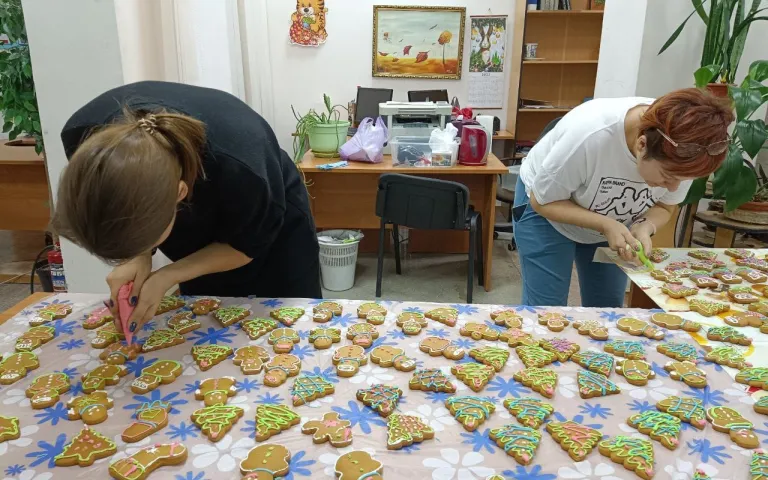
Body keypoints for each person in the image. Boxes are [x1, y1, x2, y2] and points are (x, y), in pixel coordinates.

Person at [53, 81, 321, 331]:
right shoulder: (84, 138)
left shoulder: (244, 171)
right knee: (207, 318)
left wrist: (167, 276)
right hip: (204, 200)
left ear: (180, 193)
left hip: (273, 236)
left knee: (290, 323)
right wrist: (138, 255)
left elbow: (246, 246)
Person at [513, 88, 734, 307]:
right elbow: (543, 201)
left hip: (613, 221)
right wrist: (605, 223)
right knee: (546, 309)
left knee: (608, 306)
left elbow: (665, 206)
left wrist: (645, 225)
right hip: (547, 210)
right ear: (641, 145)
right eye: (668, 177)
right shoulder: (591, 135)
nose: (674, 186)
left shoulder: (689, 152)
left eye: (683, 179)